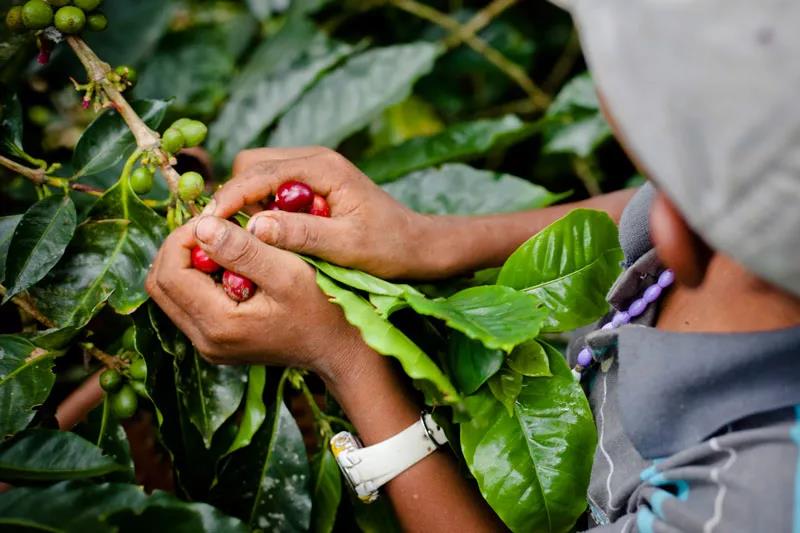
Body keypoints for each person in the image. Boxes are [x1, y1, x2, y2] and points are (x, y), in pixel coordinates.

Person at [146, 0, 800, 530]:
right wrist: (424, 240)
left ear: (681, 232)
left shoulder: (750, 502)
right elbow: (638, 209)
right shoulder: (742, 225)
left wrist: (345, 357)